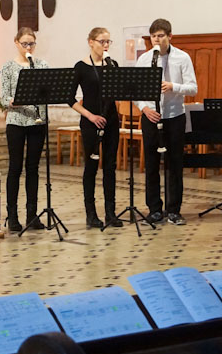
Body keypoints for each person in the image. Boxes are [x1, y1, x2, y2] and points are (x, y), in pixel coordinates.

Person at [135, 18, 198, 226]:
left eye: (161, 36)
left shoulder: (182, 57)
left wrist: (173, 86)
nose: (157, 40)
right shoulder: (144, 59)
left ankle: (174, 210)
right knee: (151, 164)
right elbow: (136, 91)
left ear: (170, 36)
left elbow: (193, 88)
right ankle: (154, 210)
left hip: (174, 116)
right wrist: (145, 108)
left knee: (174, 164)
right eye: (153, 36)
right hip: (151, 116)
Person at [68, 27, 123, 228]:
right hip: (90, 121)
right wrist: (90, 116)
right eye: (102, 41)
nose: (106, 45)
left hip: (111, 121)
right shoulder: (81, 67)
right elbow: (69, 98)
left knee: (110, 166)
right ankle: (91, 214)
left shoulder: (112, 65)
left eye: (108, 41)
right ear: (91, 42)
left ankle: (110, 212)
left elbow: (118, 90)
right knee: (91, 166)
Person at [1, 27, 47, 232]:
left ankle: (32, 214)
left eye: (32, 44)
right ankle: (12, 216)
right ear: (16, 43)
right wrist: (13, 101)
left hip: (37, 122)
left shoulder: (42, 65)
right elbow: (3, 98)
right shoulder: (9, 66)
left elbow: (48, 91)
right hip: (16, 121)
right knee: (15, 167)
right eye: (25, 44)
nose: (28, 47)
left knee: (33, 168)